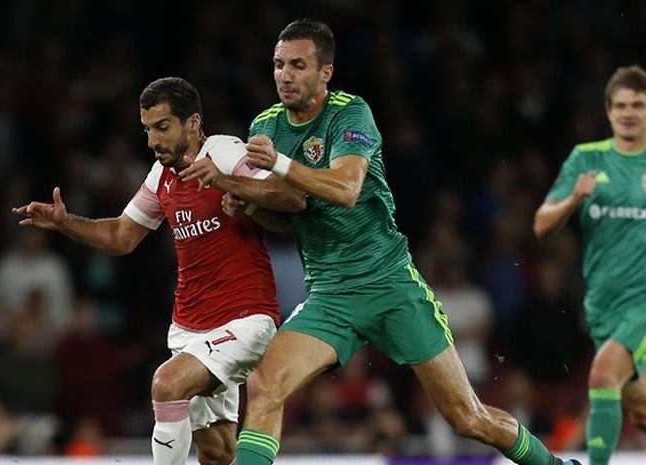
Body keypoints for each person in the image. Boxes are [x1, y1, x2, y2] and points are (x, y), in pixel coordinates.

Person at [181, 19, 580, 465]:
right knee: (265, 383)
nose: (284, 75)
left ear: (325, 73)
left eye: (297, 64)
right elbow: (291, 211)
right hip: (330, 295)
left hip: (390, 285)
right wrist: (250, 204)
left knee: (468, 418)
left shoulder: (351, 113)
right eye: (278, 65)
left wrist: (279, 164)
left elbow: (347, 189)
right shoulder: (267, 124)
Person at [12, 77, 306, 465]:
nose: (153, 140)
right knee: (217, 454)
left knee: (167, 384)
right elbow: (121, 235)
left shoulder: (225, 152)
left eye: (163, 127)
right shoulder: (162, 175)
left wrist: (230, 183)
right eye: (148, 129)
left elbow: (291, 198)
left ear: (194, 125)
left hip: (244, 318)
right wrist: (66, 223)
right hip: (189, 326)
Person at [534, 65, 646, 465]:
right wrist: (574, 198)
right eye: (621, 105)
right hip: (602, 306)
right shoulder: (587, 159)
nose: (629, 112)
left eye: (638, 105)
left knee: (602, 375)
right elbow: (543, 225)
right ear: (609, 111)